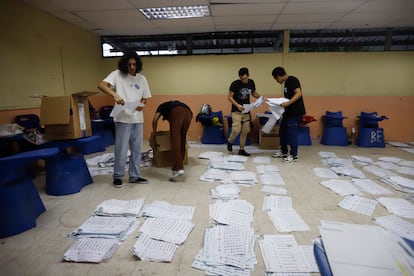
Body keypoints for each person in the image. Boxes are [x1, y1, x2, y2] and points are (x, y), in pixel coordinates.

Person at [98, 51, 152, 187]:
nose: (132, 67)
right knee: (121, 149)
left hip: (138, 118)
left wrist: (142, 104)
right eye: (129, 65)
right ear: (124, 65)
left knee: (136, 149)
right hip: (122, 118)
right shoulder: (117, 74)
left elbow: (145, 97)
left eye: (134, 64)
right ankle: (118, 176)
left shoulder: (142, 79)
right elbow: (101, 85)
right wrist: (115, 95)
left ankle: (134, 175)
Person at [271, 67, 306, 162]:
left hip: (295, 112)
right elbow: (289, 98)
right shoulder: (286, 83)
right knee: (282, 131)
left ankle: (294, 155)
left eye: (276, 79)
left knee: (292, 133)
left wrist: (288, 103)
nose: (277, 81)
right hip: (288, 112)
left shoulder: (292, 80)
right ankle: (283, 151)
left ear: (278, 76)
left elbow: (298, 93)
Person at [152, 101, 193, 180]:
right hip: (188, 113)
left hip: (177, 112)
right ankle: (179, 164)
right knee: (182, 138)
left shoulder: (161, 107)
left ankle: (179, 168)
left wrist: (154, 133)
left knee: (175, 139)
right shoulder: (170, 105)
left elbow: (155, 119)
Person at [227, 67, 261, 156]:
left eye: (245, 79)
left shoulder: (251, 82)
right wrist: (237, 105)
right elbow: (229, 97)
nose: (244, 81)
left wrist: (260, 97)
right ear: (239, 77)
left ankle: (241, 149)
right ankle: (230, 141)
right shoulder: (235, 84)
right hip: (236, 110)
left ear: (248, 76)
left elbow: (253, 93)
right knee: (236, 129)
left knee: (246, 130)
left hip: (246, 110)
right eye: (242, 79)